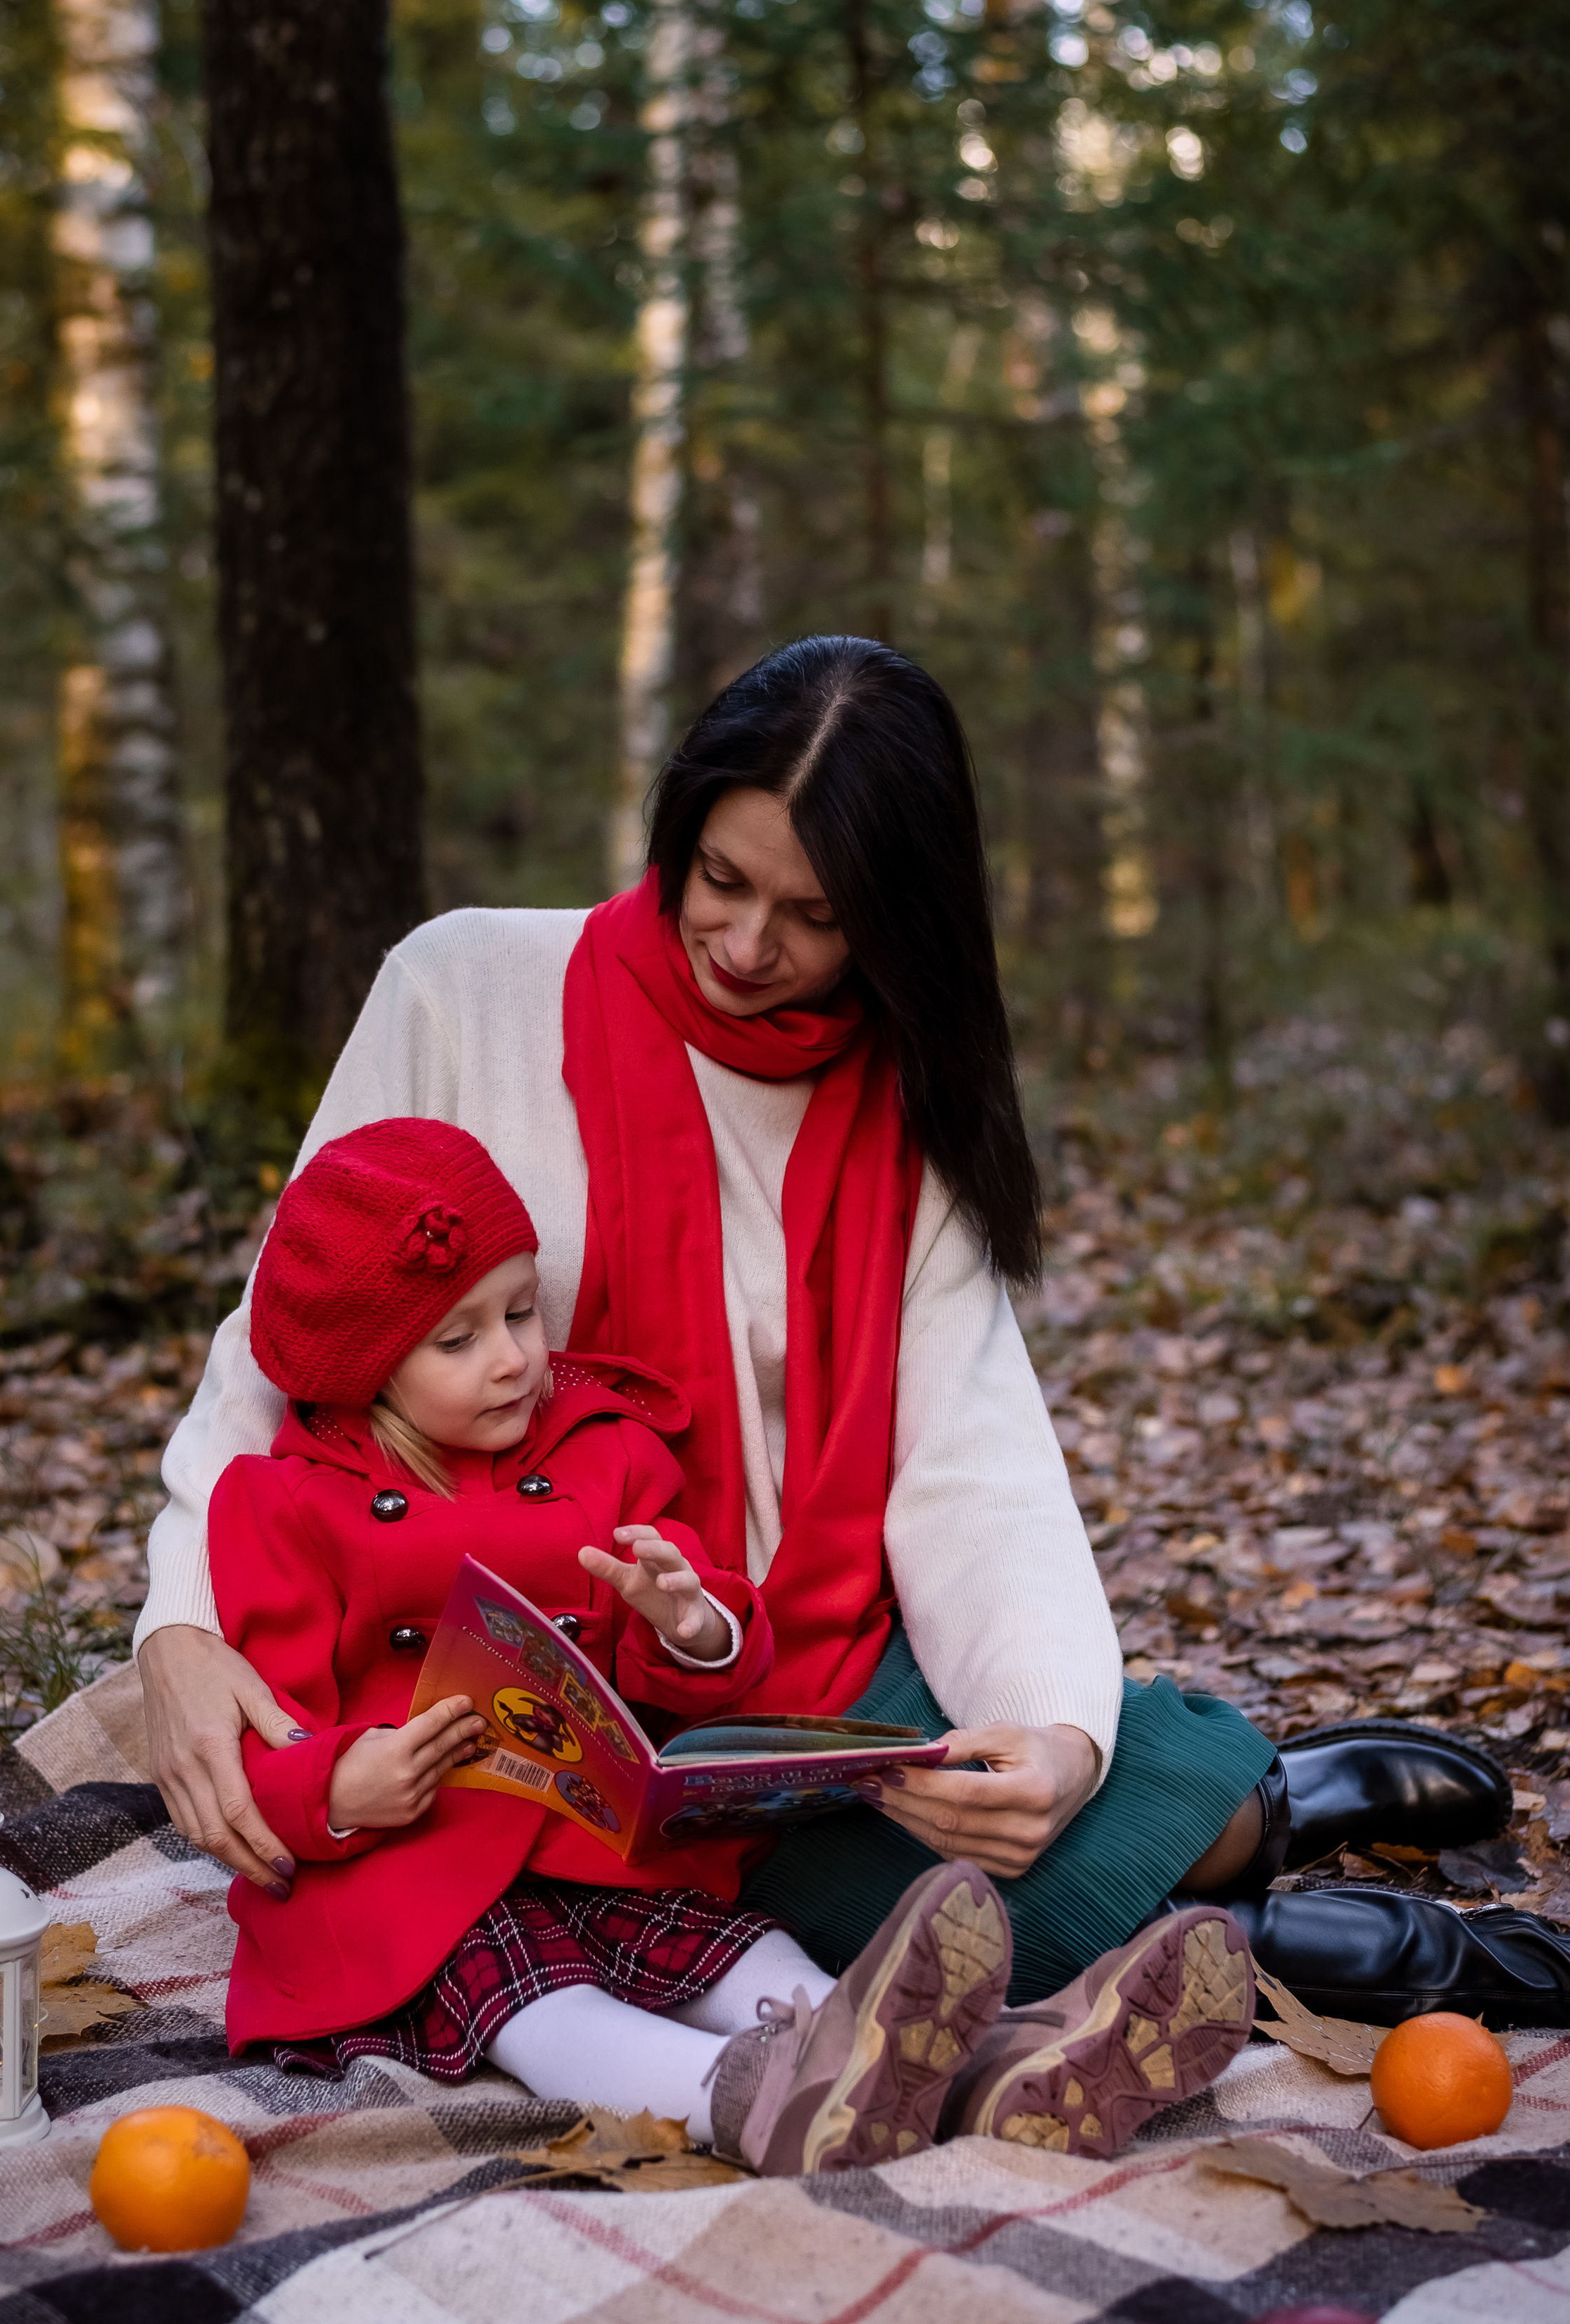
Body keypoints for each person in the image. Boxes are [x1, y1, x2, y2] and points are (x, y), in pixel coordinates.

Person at [140, 636, 1566, 2033]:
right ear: (677, 830)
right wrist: (181, 1627)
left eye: (814, 917)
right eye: (720, 880)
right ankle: (1245, 1856)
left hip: (788, 1651)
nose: (748, 947)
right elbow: (282, 1326)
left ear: (895, 921)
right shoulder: (461, 991)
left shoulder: (904, 1108)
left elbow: (968, 1462)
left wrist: (1054, 1742)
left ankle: (1249, 1810)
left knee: (1013, 1806)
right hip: (506, 1683)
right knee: (975, 1923)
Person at [208, 1111, 1257, 2168]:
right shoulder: (288, 1505)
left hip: (589, 1837)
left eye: (523, 1311)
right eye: (458, 1339)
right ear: (368, 1368)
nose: (514, 1360)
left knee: (744, 1958)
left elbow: (710, 1663)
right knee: (546, 2007)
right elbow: (268, 1726)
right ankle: (752, 2105)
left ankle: (1002, 2064)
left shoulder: (600, 1446)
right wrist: (343, 1789)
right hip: (411, 1867)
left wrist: (691, 1620)